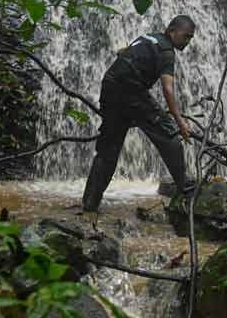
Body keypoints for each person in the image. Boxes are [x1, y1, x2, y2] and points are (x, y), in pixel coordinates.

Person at [82, 15, 197, 214]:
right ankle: (185, 188)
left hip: (110, 86)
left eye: (191, 38)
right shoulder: (166, 51)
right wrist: (181, 123)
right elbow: (167, 89)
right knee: (169, 135)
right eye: (186, 36)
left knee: (109, 148)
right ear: (172, 31)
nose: (188, 41)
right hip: (131, 90)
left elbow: (123, 52)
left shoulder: (147, 37)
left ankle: (90, 203)